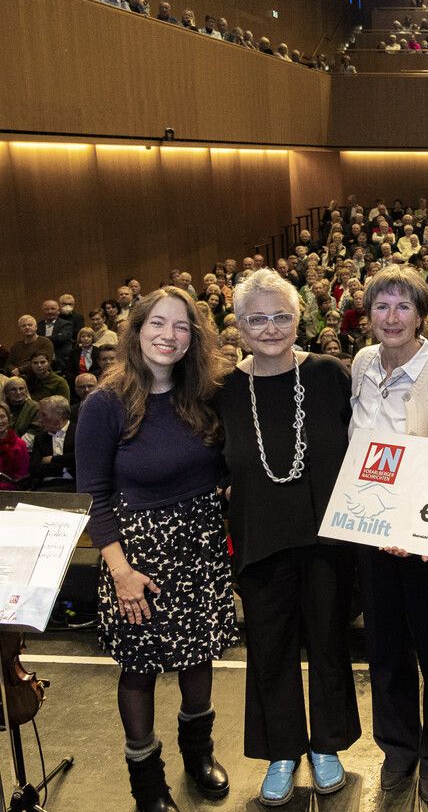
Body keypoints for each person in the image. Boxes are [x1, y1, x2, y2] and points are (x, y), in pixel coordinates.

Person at [76, 287, 236, 812]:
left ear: (195, 337)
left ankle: (199, 756)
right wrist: (120, 572)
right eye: (158, 325)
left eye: (182, 326)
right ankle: (147, 784)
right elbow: (94, 496)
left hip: (202, 550)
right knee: (140, 670)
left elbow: (224, 466)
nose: (169, 335)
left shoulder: (206, 393)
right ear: (136, 331)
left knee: (198, 659)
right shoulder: (106, 404)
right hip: (138, 559)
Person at [214, 269, 360, 806]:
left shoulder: (329, 375)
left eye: (281, 316)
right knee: (269, 650)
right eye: (257, 318)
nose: (271, 328)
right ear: (240, 325)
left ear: (299, 318)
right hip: (260, 540)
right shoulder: (225, 390)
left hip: (327, 539)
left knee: (328, 643)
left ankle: (327, 745)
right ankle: (282, 751)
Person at [350, 265, 428, 805]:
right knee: (385, 651)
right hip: (371, 532)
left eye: (403, 307)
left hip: (426, 544)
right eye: (382, 307)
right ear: (369, 314)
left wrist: (423, 533)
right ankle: (398, 748)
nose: (391, 317)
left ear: (421, 316)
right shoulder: (361, 364)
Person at [28, 395, 75, 490]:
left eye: (44, 414)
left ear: (59, 414)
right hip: (46, 485)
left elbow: (78, 459)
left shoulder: (79, 433)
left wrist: (52, 460)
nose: (40, 419)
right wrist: (64, 467)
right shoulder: (40, 438)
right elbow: (34, 468)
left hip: (74, 484)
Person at [0, 401, 30, 489]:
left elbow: (21, 477)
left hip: (11, 492)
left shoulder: (19, 444)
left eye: (2, 417)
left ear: (8, 419)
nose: (0, 421)